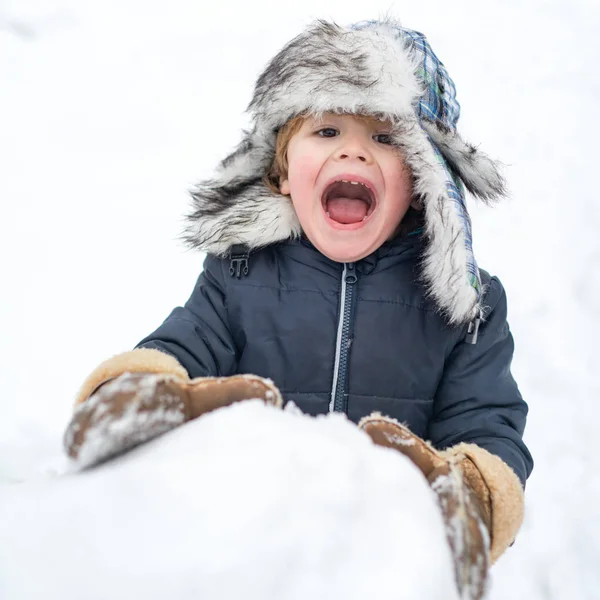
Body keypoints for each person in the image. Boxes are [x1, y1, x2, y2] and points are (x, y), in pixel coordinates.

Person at [64, 19, 533, 599]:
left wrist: (472, 493)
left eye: (387, 139)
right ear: (283, 172)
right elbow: (183, 346)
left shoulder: (465, 307)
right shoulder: (241, 274)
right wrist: (141, 386)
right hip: (254, 555)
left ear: (422, 178)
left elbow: (486, 422)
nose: (353, 149)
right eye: (327, 128)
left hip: (387, 567)